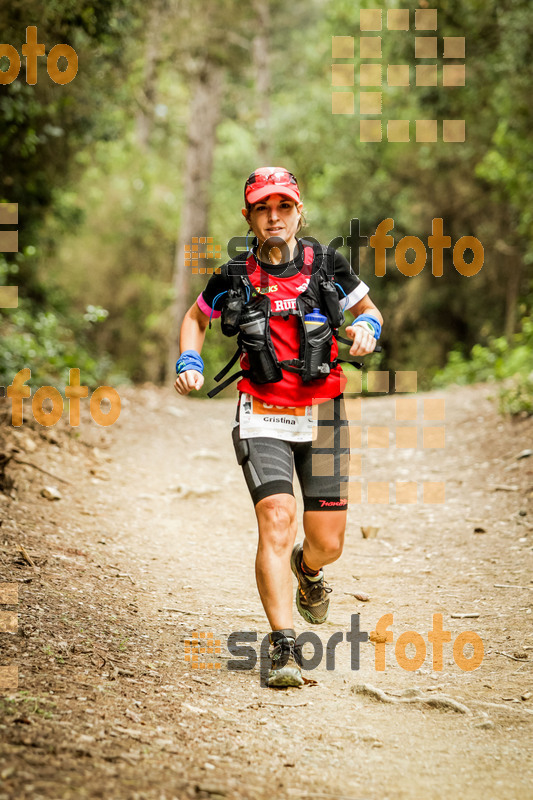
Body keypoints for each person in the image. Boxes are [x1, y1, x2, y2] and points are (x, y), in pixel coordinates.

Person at [174, 167, 383, 687]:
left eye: (283, 207)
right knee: (276, 516)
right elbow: (195, 319)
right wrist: (188, 360)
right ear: (248, 216)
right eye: (262, 208)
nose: (274, 216)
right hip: (262, 411)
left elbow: (369, 311)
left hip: (325, 413)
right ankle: (284, 646)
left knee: (327, 543)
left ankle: (307, 571)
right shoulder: (232, 276)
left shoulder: (327, 264)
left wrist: (366, 332)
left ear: (298, 213)